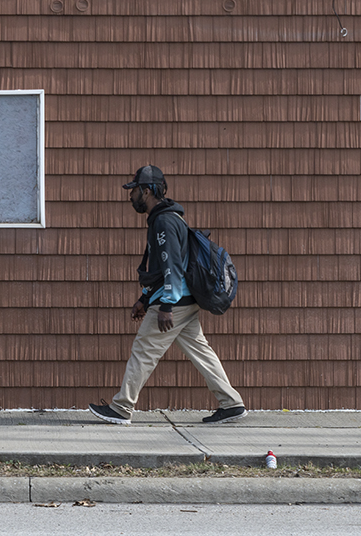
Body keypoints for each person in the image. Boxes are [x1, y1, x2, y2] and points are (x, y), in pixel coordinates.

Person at [88, 165, 247, 425]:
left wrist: (166, 305)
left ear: (147, 191)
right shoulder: (170, 218)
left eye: (134, 190)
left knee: (144, 350)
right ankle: (231, 404)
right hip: (185, 300)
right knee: (201, 351)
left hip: (176, 302)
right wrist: (144, 298)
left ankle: (121, 408)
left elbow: (172, 265)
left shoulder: (163, 221)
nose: (131, 195)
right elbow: (161, 267)